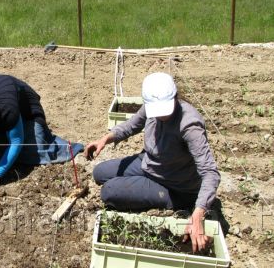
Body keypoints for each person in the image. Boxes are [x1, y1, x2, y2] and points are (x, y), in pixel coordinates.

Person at [84, 72, 220, 253]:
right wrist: (105, 139)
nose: (161, 115)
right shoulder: (151, 106)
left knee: (108, 191)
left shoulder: (189, 125)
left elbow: (210, 172)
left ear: (175, 97)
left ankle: (179, 201)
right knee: (99, 172)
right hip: (149, 162)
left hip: (173, 184)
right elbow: (132, 125)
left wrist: (198, 215)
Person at [0, 74, 83, 194]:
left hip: (28, 114)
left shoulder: (7, 107)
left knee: (34, 150)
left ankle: (70, 147)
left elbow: (16, 142)